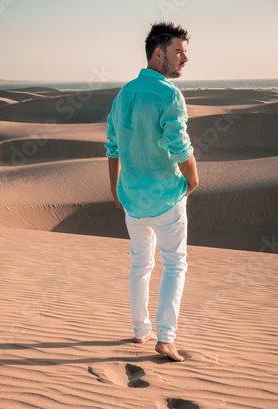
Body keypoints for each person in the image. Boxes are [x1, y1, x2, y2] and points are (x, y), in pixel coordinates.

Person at [105, 22, 198, 362]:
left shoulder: (124, 93)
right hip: (165, 198)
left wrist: (115, 188)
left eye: (185, 52)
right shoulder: (169, 94)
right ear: (158, 54)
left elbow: (112, 146)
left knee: (140, 265)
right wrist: (194, 178)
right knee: (174, 265)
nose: (184, 59)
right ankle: (166, 337)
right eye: (178, 51)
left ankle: (141, 330)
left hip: (132, 199)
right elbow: (179, 143)